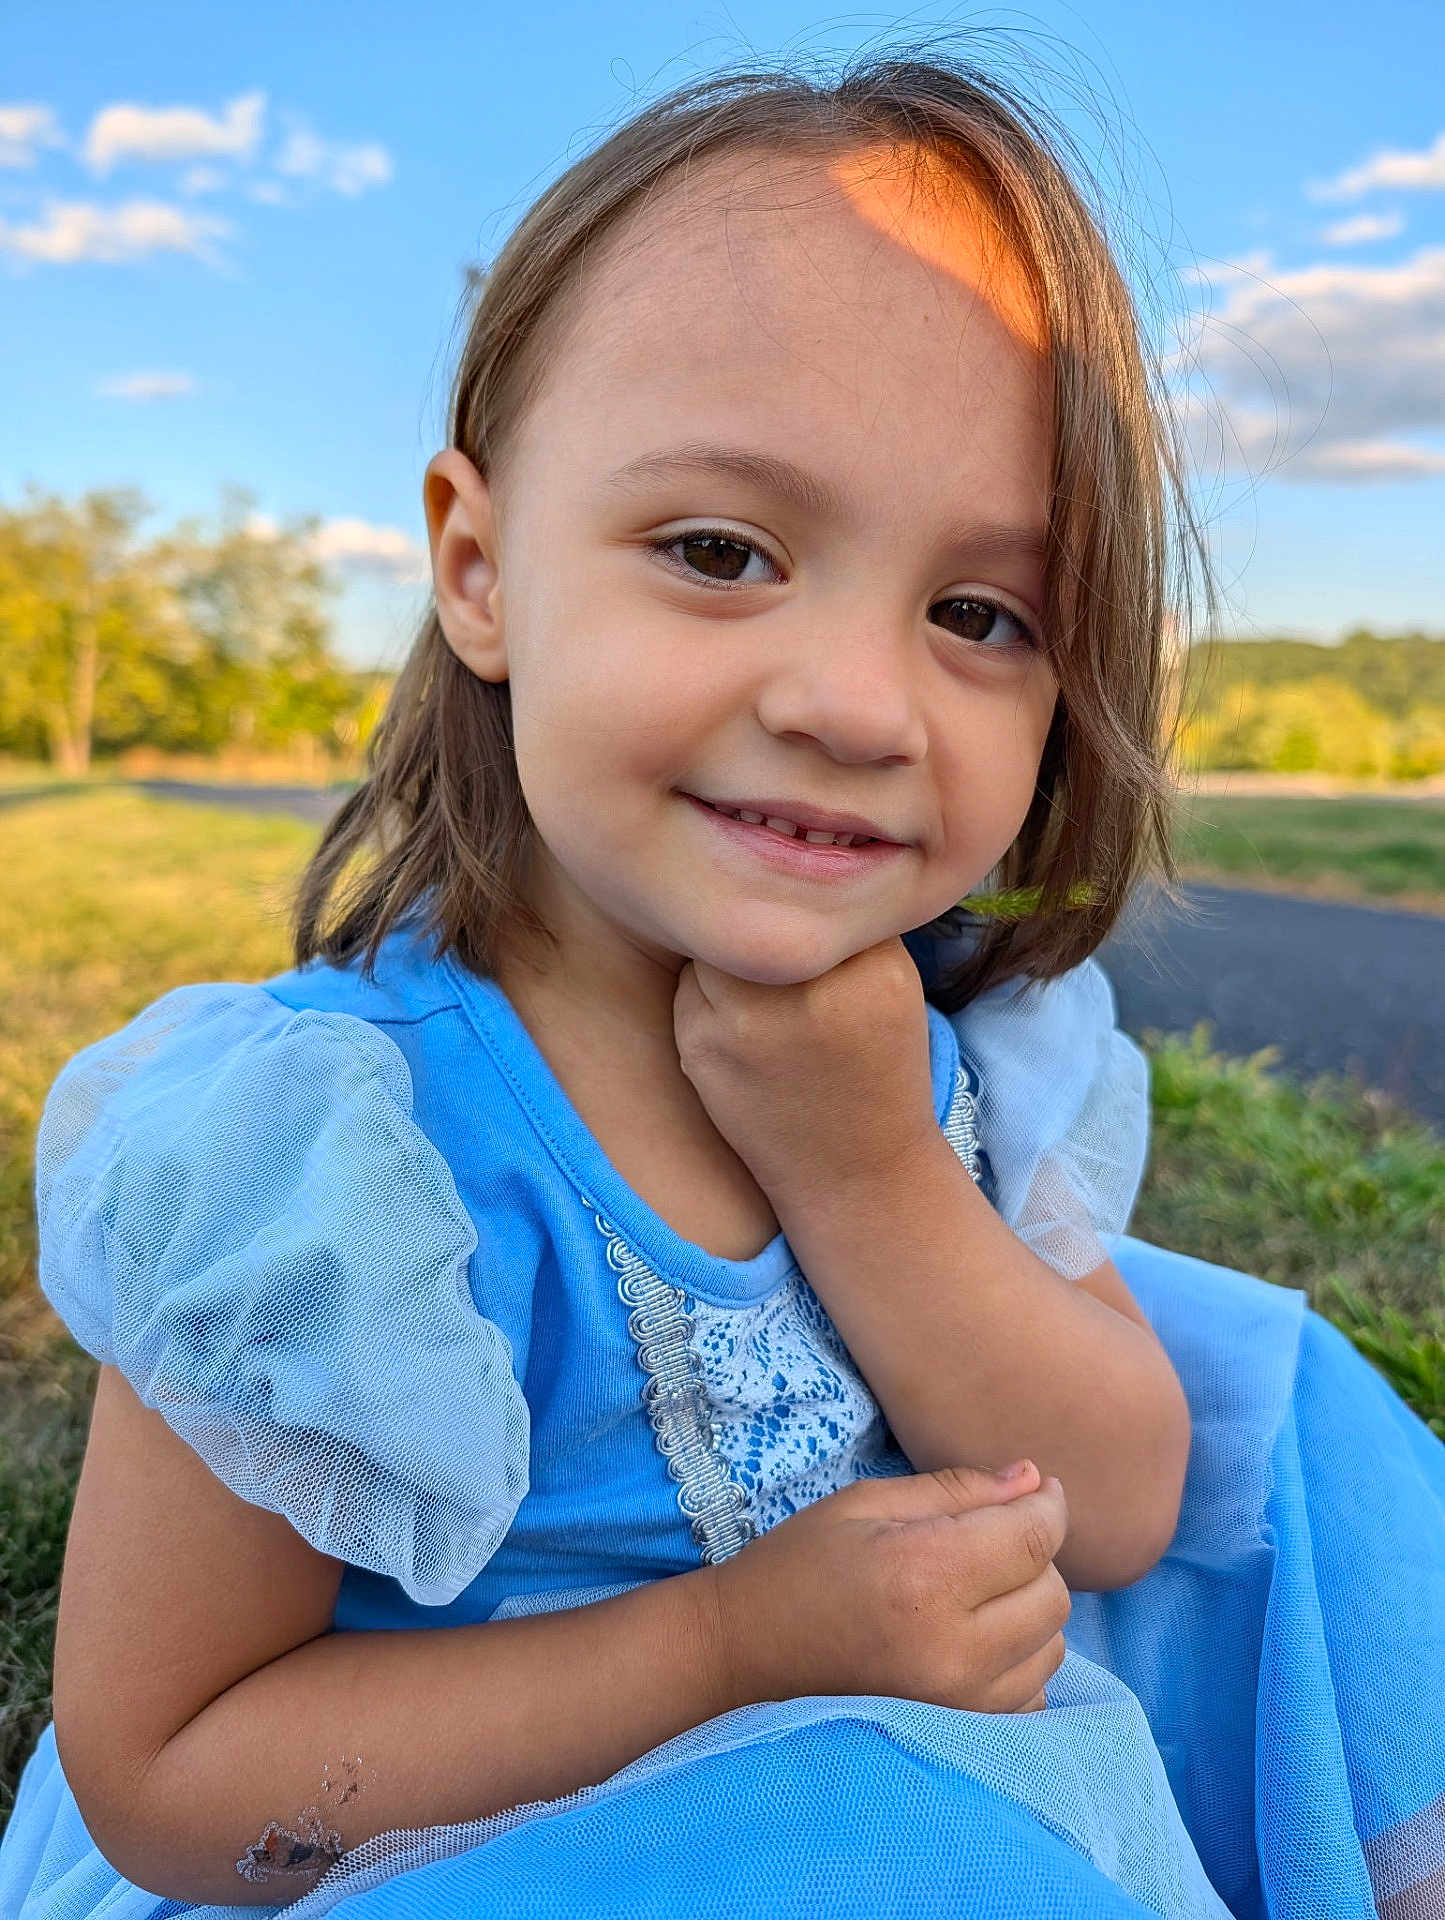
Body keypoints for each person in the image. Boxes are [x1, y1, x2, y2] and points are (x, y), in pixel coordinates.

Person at [3, 45, 1442, 1920]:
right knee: (894, 1844)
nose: (854, 701)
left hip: (899, 1717)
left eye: (979, 615)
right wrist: (737, 1652)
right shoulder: (331, 1161)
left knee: (1294, 1410)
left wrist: (865, 1168)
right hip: (464, 1847)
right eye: (717, 552)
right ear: (480, 563)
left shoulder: (967, 1060)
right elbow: (175, 1775)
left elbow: (1114, 1507)